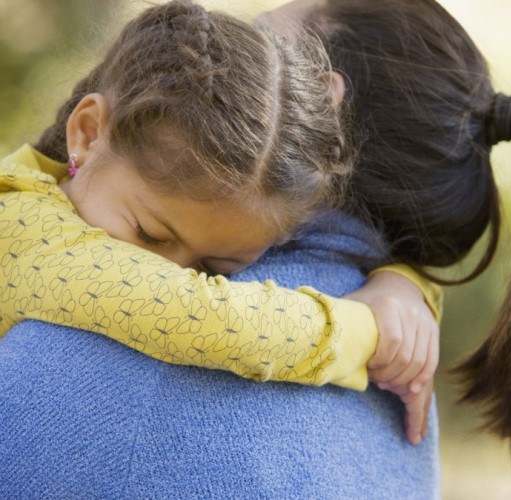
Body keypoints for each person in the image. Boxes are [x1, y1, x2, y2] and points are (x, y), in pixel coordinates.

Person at [0, 0, 511, 496]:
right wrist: (386, 308)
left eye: (259, 44)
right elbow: (199, 312)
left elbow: (199, 314)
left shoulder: (78, 357)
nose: (227, 63)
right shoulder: (400, 403)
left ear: (309, 116)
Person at [0, 0, 441, 444]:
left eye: (216, 272)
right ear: (90, 132)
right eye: (150, 235)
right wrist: (369, 332)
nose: (172, 272)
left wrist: (403, 284)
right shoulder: (24, 228)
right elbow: (197, 315)